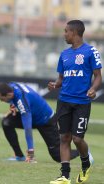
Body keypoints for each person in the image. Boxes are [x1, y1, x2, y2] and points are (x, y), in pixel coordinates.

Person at [48, 20, 102, 184]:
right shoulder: (64, 54)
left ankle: (86, 161)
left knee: (77, 139)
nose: (64, 34)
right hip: (64, 101)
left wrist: (93, 89)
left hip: (82, 102)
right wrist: (55, 84)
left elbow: (98, 76)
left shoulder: (91, 51)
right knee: (64, 138)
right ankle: (65, 176)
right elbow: (61, 78)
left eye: (66, 31)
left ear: (75, 32)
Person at [0, 82, 79, 163]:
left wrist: (31, 152)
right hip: (33, 116)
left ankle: (82, 151)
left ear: (9, 94)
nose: (2, 101)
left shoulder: (22, 101)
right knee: (6, 122)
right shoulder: (11, 87)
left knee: (57, 156)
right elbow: (14, 99)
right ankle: (19, 156)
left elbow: (27, 128)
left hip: (46, 121)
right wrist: (12, 104)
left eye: (2, 99)